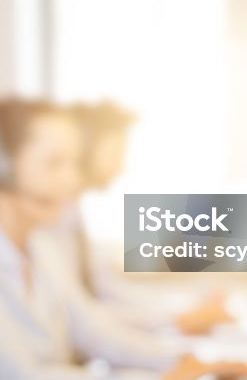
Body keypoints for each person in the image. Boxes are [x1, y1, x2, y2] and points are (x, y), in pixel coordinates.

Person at [0, 96, 247, 380]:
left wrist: (181, 360)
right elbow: (22, 374)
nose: (71, 179)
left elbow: (92, 329)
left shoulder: (41, 246)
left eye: (72, 163)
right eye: (54, 164)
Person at [61, 101, 234, 335]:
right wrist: (177, 319)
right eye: (115, 153)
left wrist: (184, 313)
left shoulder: (71, 213)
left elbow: (105, 289)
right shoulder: (53, 220)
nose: (120, 167)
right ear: (84, 148)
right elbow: (86, 312)